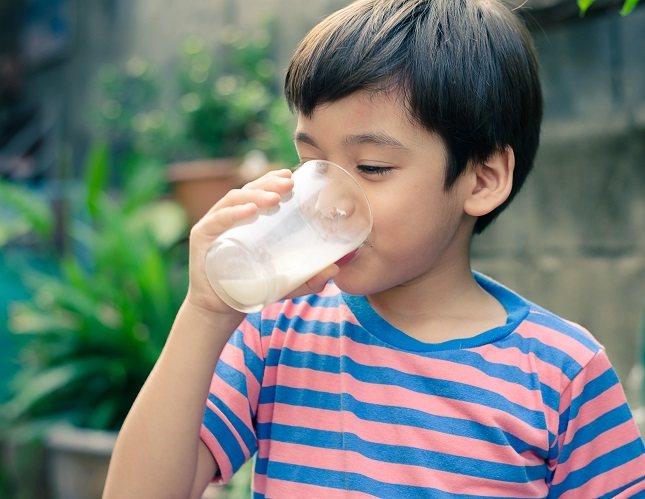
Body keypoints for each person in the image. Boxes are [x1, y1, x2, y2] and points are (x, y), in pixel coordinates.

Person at [103, 0, 645, 497]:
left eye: (371, 169)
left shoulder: (561, 374)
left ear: (480, 180)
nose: (328, 201)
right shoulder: (277, 332)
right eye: (314, 163)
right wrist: (204, 313)